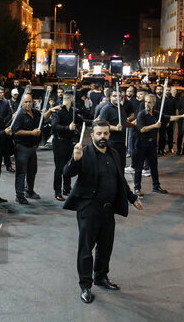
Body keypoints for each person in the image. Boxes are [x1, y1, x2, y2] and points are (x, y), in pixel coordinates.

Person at [63, 119, 144, 304]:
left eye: (105, 133)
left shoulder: (114, 153)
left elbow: (120, 180)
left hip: (108, 210)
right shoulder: (84, 152)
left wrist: (132, 198)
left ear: (109, 134)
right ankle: (85, 286)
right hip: (88, 209)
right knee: (86, 250)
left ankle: (101, 277)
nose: (102, 137)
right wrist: (74, 159)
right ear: (92, 135)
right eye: (99, 134)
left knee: (105, 247)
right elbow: (67, 174)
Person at [133, 94, 184, 196]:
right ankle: (137, 188)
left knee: (154, 166)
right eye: (146, 102)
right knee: (139, 166)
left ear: (154, 103)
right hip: (141, 142)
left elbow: (169, 118)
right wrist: (155, 125)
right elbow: (142, 129)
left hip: (152, 143)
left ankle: (156, 186)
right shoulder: (141, 114)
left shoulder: (156, 114)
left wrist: (182, 116)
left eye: (149, 102)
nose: (147, 104)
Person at [11, 93, 55, 204]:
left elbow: (42, 119)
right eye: (25, 102)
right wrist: (32, 133)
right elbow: (16, 131)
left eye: (30, 101)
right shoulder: (19, 115)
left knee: (32, 171)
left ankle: (29, 191)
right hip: (21, 147)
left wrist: (50, 111)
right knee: (21, 172)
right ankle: (19, 195)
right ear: (22, 103)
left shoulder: (35, 112)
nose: (28, 104)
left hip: (32, 147)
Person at [51, 92, 78, 201]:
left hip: (68, 142)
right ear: (71, 99)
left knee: (68, 166)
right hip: (59, 142)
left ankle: (67, 188)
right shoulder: (58, 111)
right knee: (59, 168)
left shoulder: (72, 111)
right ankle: (57, 191)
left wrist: (94, 121)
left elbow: (80, 120)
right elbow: (54, 126)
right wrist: (68, 127)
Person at [99, 89, 127, 168]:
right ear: (110, 97)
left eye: (119, 96)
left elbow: (123, 121)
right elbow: (102, 125)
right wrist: (115, 128)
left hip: (121, 142)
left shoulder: (121, 107)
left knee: (121, 166)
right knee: (112, 167)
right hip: (111, 142)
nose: (117, 98)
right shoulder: (106, 109)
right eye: (114, 96)